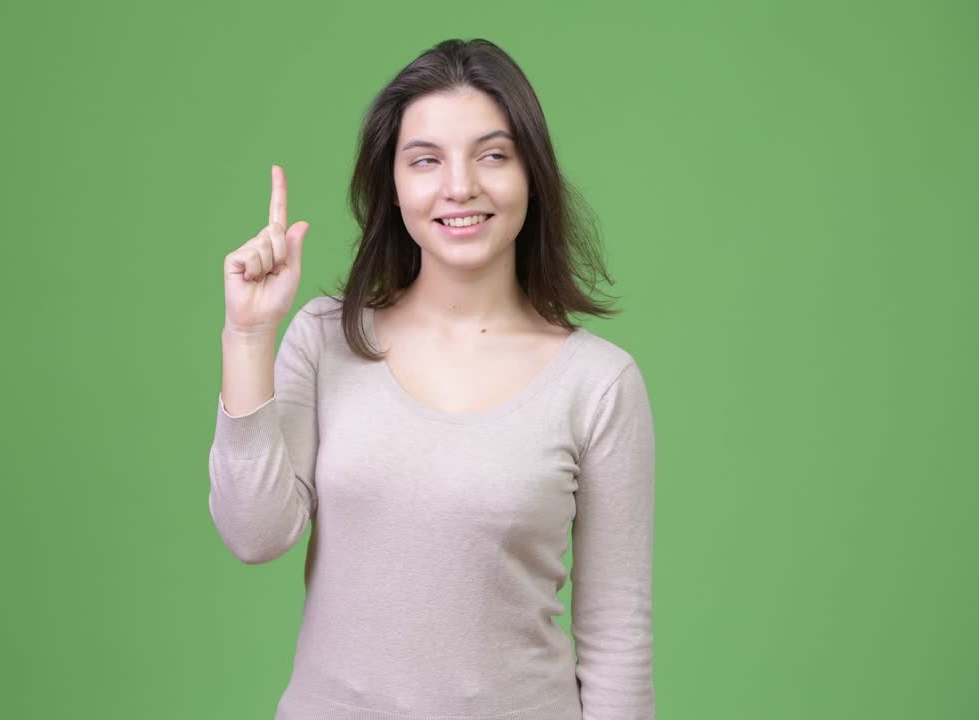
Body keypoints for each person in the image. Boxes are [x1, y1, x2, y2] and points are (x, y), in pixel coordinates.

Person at [211, 38, 656, 720]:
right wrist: (247, 336)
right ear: (393, 184)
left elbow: (616, 635)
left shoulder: (597, 383)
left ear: (532, 174)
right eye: (426, 160)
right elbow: (254, 535)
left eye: (493, 155)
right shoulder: (326, 337)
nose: (459, 186)